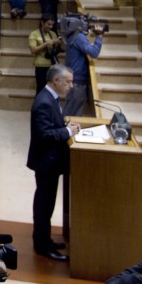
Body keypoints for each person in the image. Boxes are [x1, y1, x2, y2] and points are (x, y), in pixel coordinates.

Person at [27, 64, 80, 262]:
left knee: (47, 203)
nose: (71, 86)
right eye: (68, 82)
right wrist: (67, 132)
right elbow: (44, 135)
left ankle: (46, 239)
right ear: (56, 80)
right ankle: (42, 245)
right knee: (44, 204)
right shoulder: (44, 102)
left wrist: (64, 125)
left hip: (51, 162)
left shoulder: (51, 98)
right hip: (45, 162)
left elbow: (51, 124)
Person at [63, 17, 103, 116]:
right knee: (74, 113)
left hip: (73, 77)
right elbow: (94, 52)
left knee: (71, 108)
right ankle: (65, 126)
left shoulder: (71, 35)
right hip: (77, 80)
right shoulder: (79, 37)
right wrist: (99, 36)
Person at [28, 14, 63, 95]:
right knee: (41, 89)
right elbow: (33, 50)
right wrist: (46, 44)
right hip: (41, 66)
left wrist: (57, 44)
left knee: (52, 89)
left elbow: (55, 50)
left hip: (52, 64)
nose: (50, 27)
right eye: (48, 24)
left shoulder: (53, 34)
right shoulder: (34, 34)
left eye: (52, 25)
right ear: (42, 22)